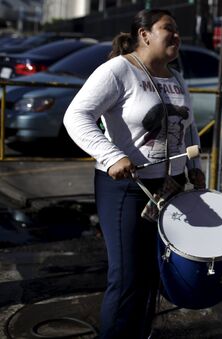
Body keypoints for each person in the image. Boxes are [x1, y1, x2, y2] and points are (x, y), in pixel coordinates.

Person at [63, 9, 205, 338]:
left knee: (153, 274)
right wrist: (111, 155)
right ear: (144, 34)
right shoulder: (118, 70)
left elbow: (189, 129)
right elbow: (76, 116)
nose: (176, 35)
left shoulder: (175, 77)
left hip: (170, 189)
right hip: (127, 190)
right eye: (168, 28)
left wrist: (195, 169)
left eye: (177, 30)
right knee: (126, 277)